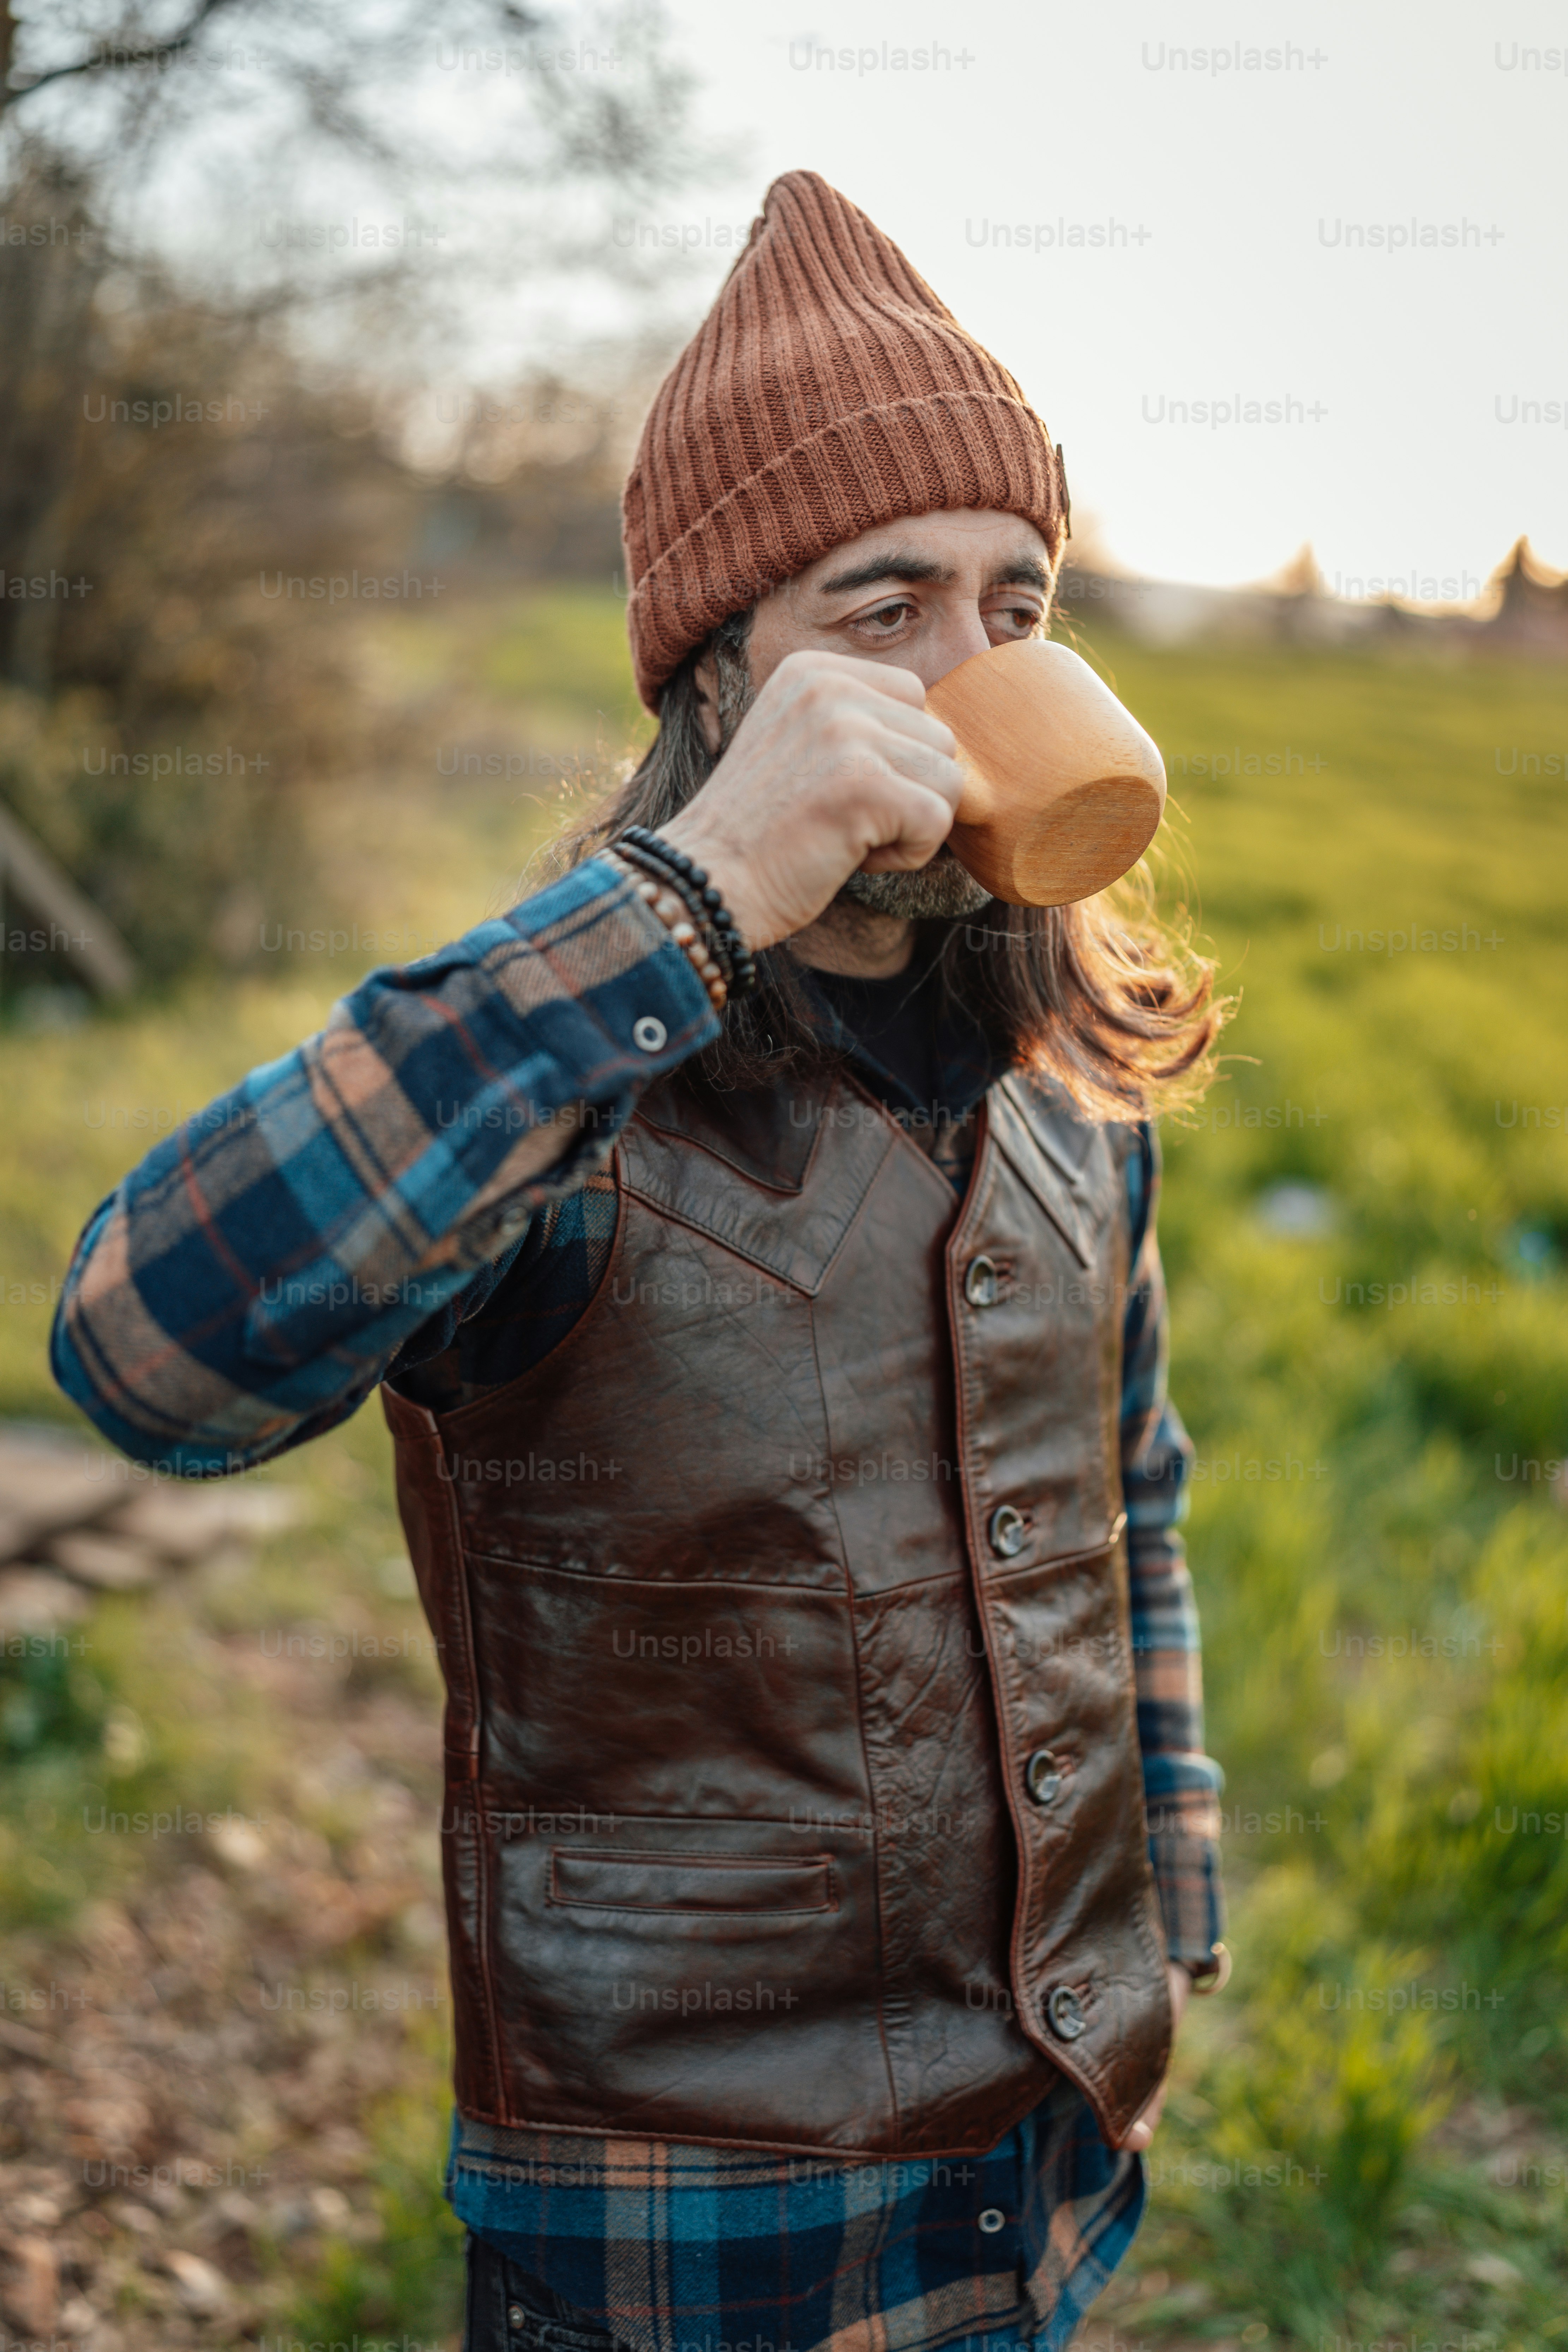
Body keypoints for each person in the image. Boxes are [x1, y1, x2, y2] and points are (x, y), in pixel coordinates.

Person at [54, 170, 1228, 2352]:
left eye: (1019, 599)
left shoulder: (1069, 1093)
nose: (978, 674)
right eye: (882, 608)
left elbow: (1132, 1501)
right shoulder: (558, 1076)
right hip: (685, 2236)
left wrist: (1170, 1893)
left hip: (1055, 2169)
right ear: (721, 679)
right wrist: (688, 899)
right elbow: (152, 1352)